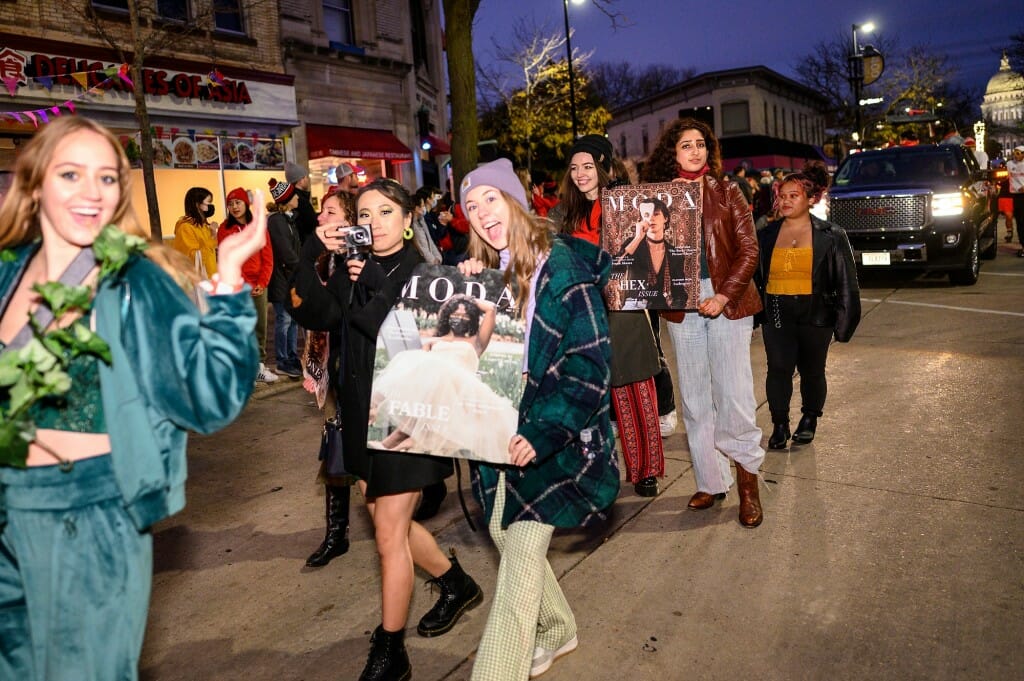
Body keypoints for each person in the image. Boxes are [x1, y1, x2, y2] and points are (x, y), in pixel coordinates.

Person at [0, 116, 264, 680]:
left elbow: (209, 400)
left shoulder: (134, 280)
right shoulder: (6, 272)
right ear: (34, 183)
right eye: (71, 174)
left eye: (107, 177)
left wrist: (230, 279)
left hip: (91, 514)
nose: (92, 193)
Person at [287, 178, 482, 681]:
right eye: (365, 214)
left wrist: (369, 274)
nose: (373, 222)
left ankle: (390, 649)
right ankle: (456, 583)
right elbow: (316, 311)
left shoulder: (422, 272)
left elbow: (394, 333)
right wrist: (313, 250)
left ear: (406, 217)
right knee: (383, 519)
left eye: (384, 212)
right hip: (360, 412)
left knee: (388, 534)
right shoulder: (352, 265)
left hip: (407, 415)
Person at [457, 158, 619, 680]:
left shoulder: (564, 267)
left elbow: (590, 366)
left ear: (515, 201)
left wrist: (544, 430)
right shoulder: (488, 273)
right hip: (502, 425)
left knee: (519, 566)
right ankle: (559, 628)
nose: (482, 213)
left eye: (490, 199)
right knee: (505, 535)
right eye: (471, 206)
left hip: (558, 435)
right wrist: (462, 294)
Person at [640, 117, 766, 528]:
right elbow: (644, 255)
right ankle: (712, 481)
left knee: (734, 394)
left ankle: (748, 482)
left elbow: (749, 250)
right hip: (681, 306)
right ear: (671, 154)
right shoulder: (657, 199)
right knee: (694, 399)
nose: (694, 151)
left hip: (727, 301)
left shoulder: (729, 192)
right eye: (685, 145)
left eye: (700, 144)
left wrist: (724, 294)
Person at [549, 135, 666, 497]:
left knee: (639, 384)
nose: (581, 174)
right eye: (574, 168)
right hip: (585, 310)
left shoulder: (624, 204)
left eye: (587, 166)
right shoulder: (563, 213)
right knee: (611, 390)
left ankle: (647, 468)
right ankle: (618, 468)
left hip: (625, 304)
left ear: (602, 167)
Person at [753, 164, 861, 449]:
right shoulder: (766, 233)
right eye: (782, 196)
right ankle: (779, 424)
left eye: (794, 195)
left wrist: (845, 320)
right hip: (776, 312)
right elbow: (755, 275)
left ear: (811, 199)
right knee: (778, 368)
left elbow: (846, 280)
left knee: (813, 370)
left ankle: (810, 418)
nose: (785, 201)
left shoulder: (832, 234)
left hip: (816, 314)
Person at [370, 294, 518, 462]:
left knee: (439, 374)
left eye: (465, 315)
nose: (460, 318)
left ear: (471, 319)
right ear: (447, 316)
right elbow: (416, 372)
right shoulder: (434, 341)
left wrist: (462, 300)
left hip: (460, 396)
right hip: (431, 398)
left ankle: (393, 442)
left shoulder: (476, 342)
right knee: (419, 363)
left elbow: (491, 308)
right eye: (455, 314)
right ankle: (396, 438)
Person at [220, 187, 277, 383]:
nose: (234, 207)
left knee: (260, 326)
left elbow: (268, 257)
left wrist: (262, 282)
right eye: (230, 204)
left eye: (237, 202)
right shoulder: (224, 229)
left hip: (259, 285)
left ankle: (259, 366)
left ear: (246, 203)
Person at [615, 196, 689, 309]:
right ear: (641, 220)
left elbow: (679, 292)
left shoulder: (675, 254)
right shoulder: (633, 244)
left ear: (666, 218)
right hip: (634, 305)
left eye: (656, 214)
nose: (651, 219)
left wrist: (676, 306)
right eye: (646, 215)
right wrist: (638, 238)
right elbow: (614, 269)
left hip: (661, 306)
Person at [267, 177, 302, 378]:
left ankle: (291, 356)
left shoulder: (289, 219)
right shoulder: (277, 221)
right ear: (287, 199)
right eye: (294, 195)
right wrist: (301, 267)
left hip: (291, 278)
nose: (298, 197)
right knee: (285, 319)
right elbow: (285, 252)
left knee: (293, 320)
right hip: (281, 279)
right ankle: (282, 360)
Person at [171, 186, 219, 277]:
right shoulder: (185, 228)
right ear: (197, 204)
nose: (210, 206)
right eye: (208, 202)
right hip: (196, 282)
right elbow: (193, 259)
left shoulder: (204, 226)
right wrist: (212, 238)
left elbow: (209, 254)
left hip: (209, 279)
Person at [285, 161, 318, 243]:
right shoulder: (301, 200)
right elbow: (312, 224)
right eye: (306, 177)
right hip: (305, 245)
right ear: (300, 180)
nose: (308, 180)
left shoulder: (291, 198)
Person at [1007, 146, 1024, 256]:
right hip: (1016, 196)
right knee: (1020, 222)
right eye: (1015, 153)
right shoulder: (1009, 164)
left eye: (1018, 153)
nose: (1016, 155)